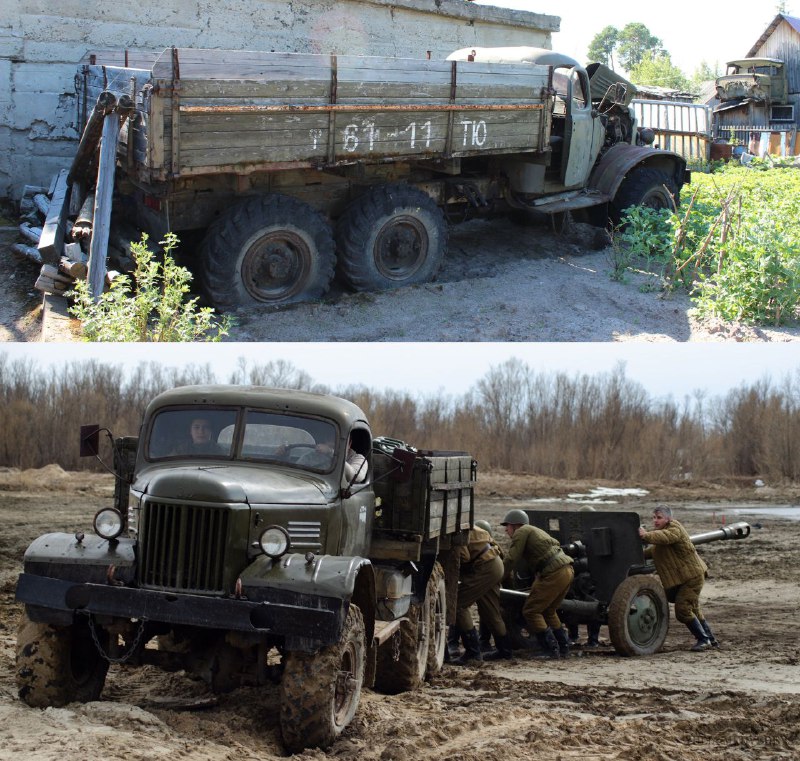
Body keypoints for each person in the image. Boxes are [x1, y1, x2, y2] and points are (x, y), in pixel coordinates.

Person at [638, 505, 718, 651]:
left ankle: (703, 639)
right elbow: (653, 551)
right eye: (654, 517)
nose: (655, 521)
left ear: (669, 518)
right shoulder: (660, 533)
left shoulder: (675, 529)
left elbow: (665, 537)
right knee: (693, 609)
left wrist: (645, 535)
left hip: (692, 577)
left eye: (659, 517)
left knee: (682, 610)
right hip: (683, 578)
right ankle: (710, 639)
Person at [501, 508, 574, 659]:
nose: (506, 531)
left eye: (507, 526)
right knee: (548, 611)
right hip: (566, 570)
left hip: (554, 572)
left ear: (515, 525)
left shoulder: (522, 531)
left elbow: (511, 559)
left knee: (531, 610)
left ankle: (550, 649)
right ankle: (563, 647)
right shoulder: (534, 531)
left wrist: (497, 575)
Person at [451, 523, 512, 664]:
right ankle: (505, 651)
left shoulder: (456, 530)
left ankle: (473, 653)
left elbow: (464, 557)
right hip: (495, 564)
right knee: (490, 611)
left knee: (459, 605)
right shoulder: (470, 526)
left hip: (484, 567)